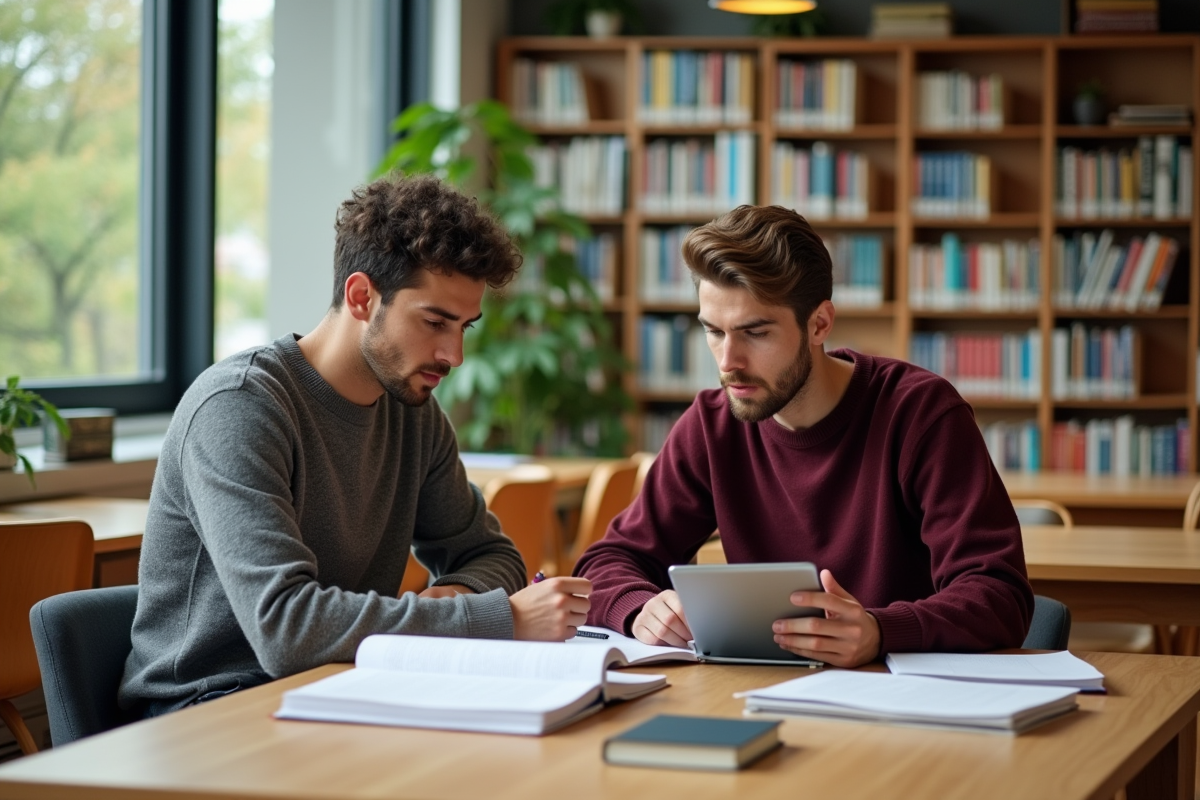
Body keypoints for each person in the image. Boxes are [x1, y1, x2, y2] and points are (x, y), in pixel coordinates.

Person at [121, 175, 590, 717]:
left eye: (464, 327)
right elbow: (288, 629)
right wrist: (491, 619)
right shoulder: (240, 406)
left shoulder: (414, 414)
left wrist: (449, 602)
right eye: (435, 322)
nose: (454, 355)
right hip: (208, 709)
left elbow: (490, 555)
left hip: (343, 687)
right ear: (362, 297)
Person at [574, 205, 1032, 668]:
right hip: (757, 692)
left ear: (819, 323)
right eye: (714, 332)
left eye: (755, 332)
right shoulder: (712, 425)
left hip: (903, 703)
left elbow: (1000, 594)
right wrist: (639, 609)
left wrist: (879, 632)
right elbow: (607, 561)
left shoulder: (921, 414)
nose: (728, 360)